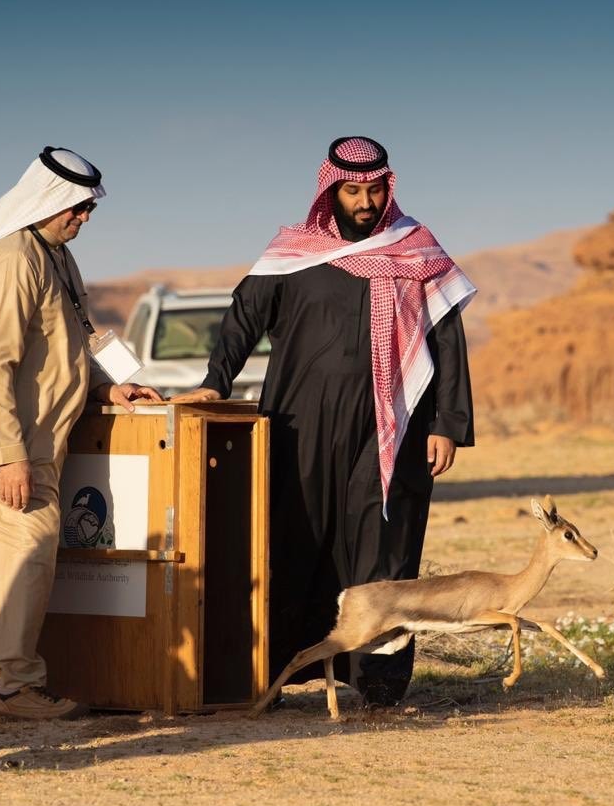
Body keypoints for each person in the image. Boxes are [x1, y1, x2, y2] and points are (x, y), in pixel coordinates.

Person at [174, 136, 476, 705]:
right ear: (330, 191)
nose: (365, 202)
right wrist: (217, 381)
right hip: (299, 423)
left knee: (383, 550)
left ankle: (378, 683)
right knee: (290, 538)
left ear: (389, 187)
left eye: (375, 189)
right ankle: (276, 671)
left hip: (392, 427)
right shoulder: (293, 254)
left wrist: (448, 422)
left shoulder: (416, 251)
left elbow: (447, 341)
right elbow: (243, 318)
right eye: (353, 190)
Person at [0, 147, 161, 719]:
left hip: (32, 438)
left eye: (89, 207)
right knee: (25, 554)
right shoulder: (15, 260)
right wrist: (6, 455)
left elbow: (69, 343)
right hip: (0, 441)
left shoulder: (55, 258)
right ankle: (16, 687)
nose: (84, 217)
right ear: (48, 200)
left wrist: (105, 388)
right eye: (77, 206)